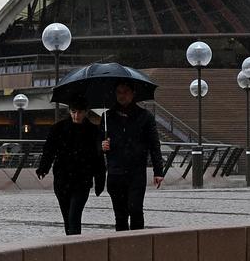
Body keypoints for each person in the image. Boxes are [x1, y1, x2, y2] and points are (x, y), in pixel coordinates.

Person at [36, 96, 105, 235]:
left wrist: (100, 181)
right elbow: (49, 150)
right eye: (73, 112)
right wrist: (44, 168)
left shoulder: (93, 131)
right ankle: (71, 245)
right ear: (69, 111)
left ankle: (74, 247)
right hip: (62, 180)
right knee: (67, 217)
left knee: (74, 216)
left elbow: (98, 158)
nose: (76, 115)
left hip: (82, 180)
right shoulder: (58, 128)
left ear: (86, 112)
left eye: (79, 112)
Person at [100, 81, 164, 231]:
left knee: (135, 210)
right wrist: (102, 145)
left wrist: (158, 171)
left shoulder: (145, 117)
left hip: (136, 172)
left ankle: (137, 244)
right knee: (120, 215)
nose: (122, 95)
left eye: (125, 91)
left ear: (133, 93)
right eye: (119, 92)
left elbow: (154, 144)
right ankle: (122, 247)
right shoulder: (107, 117)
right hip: (115, 173)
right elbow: (98, 142)